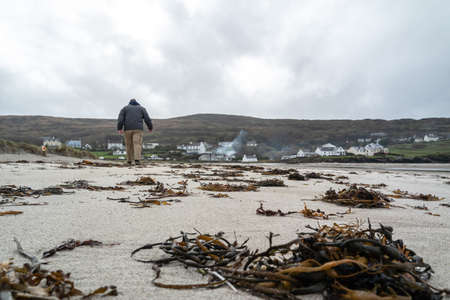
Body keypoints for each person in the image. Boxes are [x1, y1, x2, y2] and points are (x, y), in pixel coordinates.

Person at [117, 99, 153, 165]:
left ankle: (129, 161)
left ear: (129, 103)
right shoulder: (142, 108)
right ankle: (137, 160)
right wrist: (150, 127)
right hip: (138, 129)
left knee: (128, 145)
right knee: (137, 144)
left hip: (127, 129)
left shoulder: (124, 108)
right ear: (137, 103)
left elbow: (120, 119)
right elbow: (147, 118)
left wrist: (119, 128)